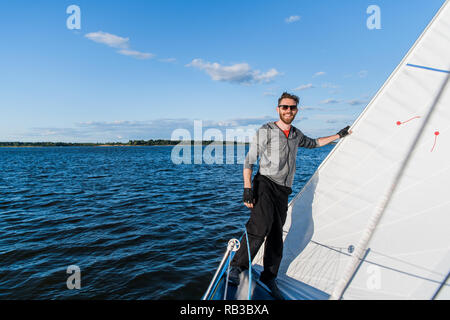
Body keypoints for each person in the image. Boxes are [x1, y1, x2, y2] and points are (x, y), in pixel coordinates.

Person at [229, 92, 352, 300]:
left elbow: (314, 143)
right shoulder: (266, 130)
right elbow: (249, 160)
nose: (288, 111)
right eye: (285, 107)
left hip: (283, 190)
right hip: (265, 184)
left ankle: (269, 276)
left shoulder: (296, 134)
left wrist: (338, 135)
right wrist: (247, 188)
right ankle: (237, 267)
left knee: (277, 234)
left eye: (292, 108)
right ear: (278, 109)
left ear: (296, 110)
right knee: (261, 225)